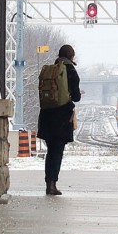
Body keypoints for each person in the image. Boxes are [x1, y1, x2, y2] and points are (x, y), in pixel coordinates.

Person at [37, 44, 81, 195]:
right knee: (57, 151)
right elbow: (76, 96)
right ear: (71, 56)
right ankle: (52, 184)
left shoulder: (51, 70)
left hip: (47, 115)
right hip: (62, 116)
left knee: (51, 151)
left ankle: (49, 182)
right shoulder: (70, 71)